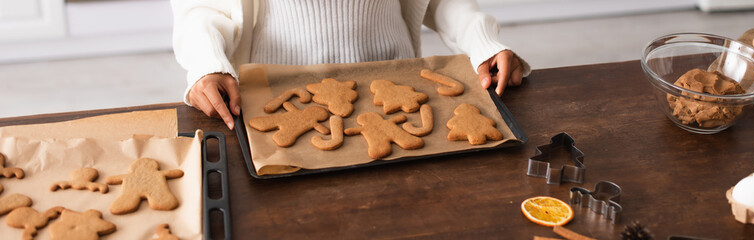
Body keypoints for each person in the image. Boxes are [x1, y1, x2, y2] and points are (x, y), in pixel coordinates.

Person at [171, 0, 531, 130]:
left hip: (397, 84)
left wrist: (480, 41)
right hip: (284, 94)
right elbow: (203, 8)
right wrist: (207, 62)